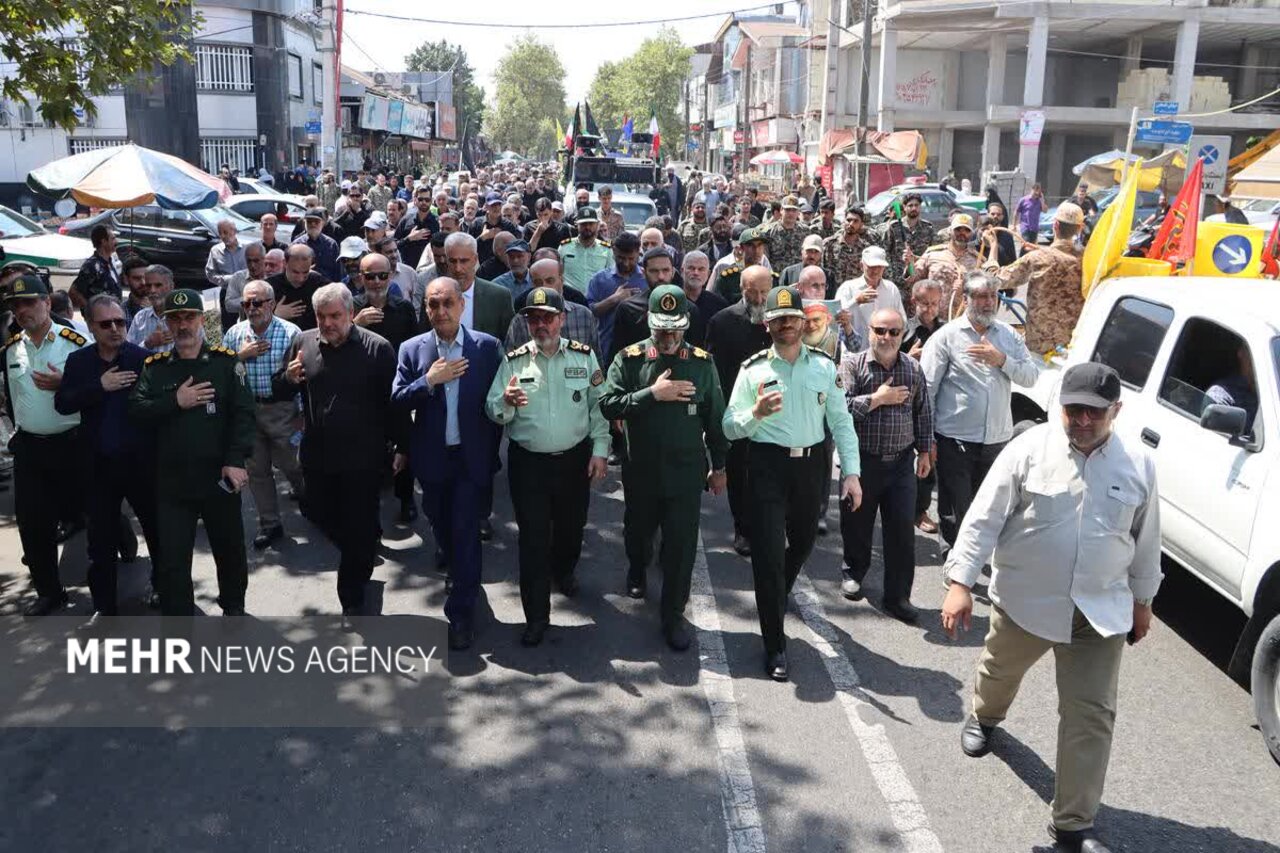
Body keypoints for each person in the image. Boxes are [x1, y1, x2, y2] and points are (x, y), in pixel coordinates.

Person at [941, 363, 1160, 853]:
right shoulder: (1028, 448)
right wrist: (959, 582)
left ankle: (1071, 824)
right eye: (1073, 409)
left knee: (1092, 715)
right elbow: (984, 516)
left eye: (1095, 412)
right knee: (999, 672)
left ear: (1116, 411)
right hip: (1026, 603)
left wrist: (1142, 602)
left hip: (1098, 613)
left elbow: (1147, 541)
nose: (1082, 420)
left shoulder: (1139, 465)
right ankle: (983, 717)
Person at [722, 285, 862, 681]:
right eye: (779, 319)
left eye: (793, 319)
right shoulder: (753, 370)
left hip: (811, 467)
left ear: (803, 323)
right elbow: (730, 427)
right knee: (767, 557)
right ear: (768, 325)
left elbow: (841, 422)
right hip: (766, 466)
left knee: (802, 543)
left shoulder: (823, 366)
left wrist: (851, 473)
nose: (787, 325)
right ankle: (775, 645)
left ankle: (776, 592)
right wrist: (755, 413)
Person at [600, 285, 728, 650]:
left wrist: (719, 465)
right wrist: (651, 394)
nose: (669, 337)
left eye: (675, 329)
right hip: (641, 469)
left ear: (686, 325)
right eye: (661, 329)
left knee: (681, 547)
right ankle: (637, 567)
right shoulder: (630, 358)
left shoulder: (702, 364)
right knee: (638, 534)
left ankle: (673, 615)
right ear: (649, 324)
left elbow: (715, 418)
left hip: (686, 474)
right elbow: (608, 404)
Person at [485, 286, 609, 646]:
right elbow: (493, 409)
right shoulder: (513, 361)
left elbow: (598, 409)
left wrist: (600, 451)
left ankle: (565, 570)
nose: (540, 325)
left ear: (562, 320)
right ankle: (536, 617)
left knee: (571, 529)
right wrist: (505, 402)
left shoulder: (584, 359)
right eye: (533, 318)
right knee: (533, 540)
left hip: (573, 461)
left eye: (547, 318)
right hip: (529, 465)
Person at [275, 283, 399, 628]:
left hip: (363, 459)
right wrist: (287, 377)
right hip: (317, 457)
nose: (328, 323)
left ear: (350, 314)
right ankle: (361, 550)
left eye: (335, 316)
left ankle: (353, 598)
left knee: (357, 526)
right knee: (320, 515)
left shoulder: (377, 349)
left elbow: (394, 406)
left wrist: (401, 448)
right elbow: (282, 385)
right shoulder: (304, 343)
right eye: (321, 316)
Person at [128, 288, 254, 617]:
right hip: (172, 482)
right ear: (167, 324)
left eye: (189, 317)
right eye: (175, 319)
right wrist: (175, 402)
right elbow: (137, 411)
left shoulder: (226, 364)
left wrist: (236, 460)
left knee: (230, 552)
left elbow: (243, 415)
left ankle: (233, 609)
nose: (182, 325)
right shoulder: (155, 368)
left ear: (201, 319)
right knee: (172, 561)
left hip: (218, 477)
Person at [393, 276, 503, 651]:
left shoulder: (487, 348)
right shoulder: (412, 349)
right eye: (432, 304)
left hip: (471, 462)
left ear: (461, 306)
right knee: (441, 526)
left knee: (466, 532)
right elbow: (397, 399)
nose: (440, 311)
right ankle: (457, 570)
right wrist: (428, 380)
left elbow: (499, 403)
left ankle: (461, 614)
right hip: (433, 461)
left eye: (446, 304)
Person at [56, 293, 161, 624]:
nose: (116, 329)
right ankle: (104, 607)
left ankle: (162, 586)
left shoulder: (143, 359)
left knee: (157, 532)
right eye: (106, 324)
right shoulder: (79, 362)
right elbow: (63, 403)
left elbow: (158, 410)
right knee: (99, 542)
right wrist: (99, 386)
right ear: (90, 326)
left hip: (140, 465)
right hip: (98, 467)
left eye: (120, 322)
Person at [921, 271, 1039, 550]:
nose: (988, 303)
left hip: (996, 440)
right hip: (955, 438)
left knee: (987, 505)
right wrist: (928, 440)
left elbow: (1031, 377)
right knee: (955, 505)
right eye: (981, 296)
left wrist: (1002, 360)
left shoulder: (1008, 336)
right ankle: (953, 554)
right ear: (966, 299)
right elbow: (926, 390)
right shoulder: (946, 337)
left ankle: (975, 555)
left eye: (993, 296)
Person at [837, 307, 934, 622]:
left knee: (901, 533)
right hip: (862, 463)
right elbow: (841, 410)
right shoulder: (853, 365)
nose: (887, 337)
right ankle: (853, 572)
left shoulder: (912, 369)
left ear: (903, 333)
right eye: (880, 330)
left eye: (894, 332)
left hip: (902, 464)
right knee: (857, 523)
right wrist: (877, 398)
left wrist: (925, 451)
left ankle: (898, 597)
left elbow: (923, 412)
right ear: (869, 331)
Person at [1, 274, 90, 616]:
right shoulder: (12, 349)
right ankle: (49, 591)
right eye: (16, 305)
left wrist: (66, 384)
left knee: (93, 511)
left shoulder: (77, 340)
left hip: (74, 445)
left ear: (47, 303)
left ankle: (123, 546)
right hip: (31, 449)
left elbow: (99, 385)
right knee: (34, 524)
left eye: (29, 302)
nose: (23, 310)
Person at [222, 280, 303, 549]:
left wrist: (302, 415)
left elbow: (301, 376)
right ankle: (270, 524)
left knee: (293, 464)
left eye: (257, 302)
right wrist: (238, 356)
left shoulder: (290, 332)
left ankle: (311, 501)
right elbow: (222, 372)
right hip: (247, 413)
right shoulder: (234, 334)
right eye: (246, 303)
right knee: (257, 471)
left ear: (271, 303)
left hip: (282, 410)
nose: (252, 308)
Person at [705, 265, 772, 557]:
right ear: (741, 289)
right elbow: (714, 372)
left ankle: (770, 526)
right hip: (739, 410)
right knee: (740, 472)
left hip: (775, 410)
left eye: (763, 292)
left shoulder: (781, 319)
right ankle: (742, 528)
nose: (758, 298)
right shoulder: (722, 321)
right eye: (752, 292)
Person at [352, 252, 419, 522]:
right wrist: (355, 325)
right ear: (360, 278)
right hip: (361, 394)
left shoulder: (402, 308)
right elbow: (330, 342)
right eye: (370, 276)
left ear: (391, 276)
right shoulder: (351, 307)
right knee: (367, 452)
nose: (377, 282)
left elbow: (415, 347)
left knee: (405, 445)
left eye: (382, 275)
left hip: (396, 390)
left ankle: (406, 499)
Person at [989, 203, 1085, 357]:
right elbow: (1065, 258)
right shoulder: (1089, 259)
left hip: (1039, 348)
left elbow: (993, 280)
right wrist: (1042, 250)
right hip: (1074, 347)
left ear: (1055, 225)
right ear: (1080, 227)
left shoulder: (1037, 258)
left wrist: (993, 246)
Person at [608, 248, 707, 365]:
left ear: (673, 272)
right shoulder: (628, 308)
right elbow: (617, 356)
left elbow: (697, 357)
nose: (660, 277)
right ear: (644, 273)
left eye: (665, 270)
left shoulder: (689, 309)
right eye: (654, 271)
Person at [901, 279, 945, 533]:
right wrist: (909, 359)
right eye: (924, 303)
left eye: (934, 304)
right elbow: (883, 363)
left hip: (939, 404)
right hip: (907, 405)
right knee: (909, 460)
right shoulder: (903, 330)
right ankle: (903, 508)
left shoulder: (947, 331)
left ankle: (920, 510)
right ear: (913, 302)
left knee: (930, 459)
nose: (929, 309)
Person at [506, 257, 600, 360]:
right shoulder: (521, 321)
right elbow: (511, 364)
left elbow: (596, 361)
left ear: (561, 280)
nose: (544, 286)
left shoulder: (584, 316)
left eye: (550, 281)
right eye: (538, 282)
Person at [428, 232, 515, 340]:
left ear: (475, 259)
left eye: (464, 261)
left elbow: (510, 342)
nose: (458, 268)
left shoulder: (499, 297)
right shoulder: (432, 295)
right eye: (453, 261)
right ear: (446, 259)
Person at [585, 231, 644, 358]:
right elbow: (588, 312)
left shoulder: (647, 279)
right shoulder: (599, 279)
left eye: (631, 259)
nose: (626, 263)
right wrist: (615, 299)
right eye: (621, 258)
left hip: (641, 349)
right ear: (613, 252)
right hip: (607, 348)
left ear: (639, 253)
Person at [911, 212, 983, 317]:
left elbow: (982, 291)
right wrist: (910, 264)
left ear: (971, 234)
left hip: (963, 318)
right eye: (958, 230)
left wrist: (964, 287)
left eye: (967, 230)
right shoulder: (933, 253)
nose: (962, 233)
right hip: (933, 317)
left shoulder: (978, 260)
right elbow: (914, 278)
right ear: (950, 230)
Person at [835, 245, 906, 346]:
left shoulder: (891, 289)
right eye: (871, 266)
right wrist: (856, 301)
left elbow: (902, 321)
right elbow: (836, 317)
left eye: (879, 266)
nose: (876, 271)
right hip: (855, 353)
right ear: (861, 265)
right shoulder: (848, 288)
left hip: (884, 353)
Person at [878, 194, 934, 292]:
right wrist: (890, 277)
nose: (914, 208)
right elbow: (885, 252)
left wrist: (915, 259)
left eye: (916, 205)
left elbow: (932, 254)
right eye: (910, 205)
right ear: (904, 207)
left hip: (920, 279)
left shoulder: (928, 228)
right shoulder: (894, 227)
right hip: (898, 280)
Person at [269, 244, 329, 331]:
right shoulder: (270, 286)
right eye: (295, 272)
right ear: (285, 263)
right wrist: (275, 315)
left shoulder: (321, 286)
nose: (300, 278)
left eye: (305, 272)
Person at [712, 227, 776, 304]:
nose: (756, 250)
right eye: (751, 246)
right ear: (741, 249)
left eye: (760, 245)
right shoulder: (728, 278)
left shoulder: (771, 278)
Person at [558, 207, 613, 294]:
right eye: (583, 224)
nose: (587, 227)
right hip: (570, 299)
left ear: (597, 225)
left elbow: (611, 276)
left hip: (596, 299)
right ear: (577, 225)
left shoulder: (606, 249)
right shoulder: (565, 247)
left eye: (591, 224)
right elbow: (558, 274)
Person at [69, 224, 122, 311]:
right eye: (113, 239)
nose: (116, 242)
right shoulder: (91, 265)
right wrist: (92, 311)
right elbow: (74, 292)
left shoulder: (109, 262)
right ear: (103, 241)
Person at [127, 264, 178, 353]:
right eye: (148, 286)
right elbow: (128, 353)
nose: (152, 290)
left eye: (158, 285)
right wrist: (147, 343)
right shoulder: (140, 318)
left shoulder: (185, 317)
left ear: (171, 287)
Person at [395, 186, 441, 270]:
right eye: (420, 199)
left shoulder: (437, 222)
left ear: (431, 201)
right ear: (415, 200)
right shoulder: (406, 220)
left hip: (429, 270)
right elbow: (394, 245)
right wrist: (409, 238)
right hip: (407, 268)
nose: (423, 202)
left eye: (427, 200)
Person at [293, 207, 342, 282]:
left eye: (316, 221)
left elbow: (337, 272)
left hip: (327, 288)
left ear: (323, 223)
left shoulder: (331, 244)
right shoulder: (296, 245)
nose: (313, 224)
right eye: (309, 221)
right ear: (304, 223)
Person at [470, 192, 521, 264]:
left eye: (499, 204)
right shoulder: (476, 224)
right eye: (493, 205)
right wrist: (482, 238)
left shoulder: (508, 225)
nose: (496, 208)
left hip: (503, 268)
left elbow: (516, 247)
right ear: (486, 206)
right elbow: (469, 249)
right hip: (481, 268)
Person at [223, 242, 267, 323]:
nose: (252, 265)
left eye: (256, 261)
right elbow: (228, 305)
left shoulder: (271, 278)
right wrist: (247, 300)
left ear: (264, 259)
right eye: (249, 261)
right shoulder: (238, 277)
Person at [680, 250, 727, 324]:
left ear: (708, 274)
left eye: (701, 269)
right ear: (682, 271)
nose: (696, 273)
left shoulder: (718, 305)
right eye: (691, 268)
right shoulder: (673, 301)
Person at [981, 203, 1018, 267]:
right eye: (992, 214)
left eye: (998, 214)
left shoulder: (1007, 235)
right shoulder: (979, 232)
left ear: (1002, 217)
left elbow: (1012, 259)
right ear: (987, 214)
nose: (995, 216)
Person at [120, 257, 152, 325]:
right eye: (137, 278)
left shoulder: (162, 308)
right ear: (126, 280)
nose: (143, 282)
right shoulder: (120, 313)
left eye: (146, 277)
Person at [1014, 183, 1045, 250]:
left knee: (1032, 247)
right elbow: (1016, 212)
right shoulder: (1023, 200)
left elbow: (1045, 210)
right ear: (1032, 190)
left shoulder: (1039, 201)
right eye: (1035, 191)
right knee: (1026, 246)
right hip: (1025, 227)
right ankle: (1022, 259)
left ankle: (1025, 259)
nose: (1036, 194)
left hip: (1034, 228)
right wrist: (1014, 225)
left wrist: (1042, 200)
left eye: (1038, 192)